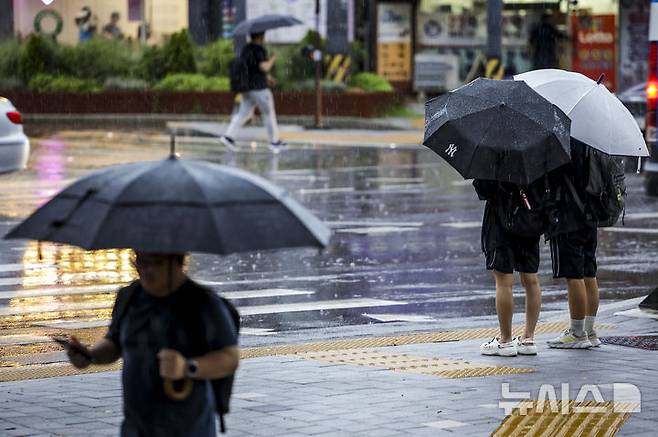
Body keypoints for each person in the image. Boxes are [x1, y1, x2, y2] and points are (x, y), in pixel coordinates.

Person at [65, 252, 240, 437]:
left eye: (156, 263)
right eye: (141, 262)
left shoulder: (204, 303)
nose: (146, 271)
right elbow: (115, 342)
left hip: (189, 428)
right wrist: (90, 356)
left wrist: (187, 367)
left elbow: (230, 358)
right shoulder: (129, 297)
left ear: (177, 261)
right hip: (136, 428)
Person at [474, 179, 545, 357]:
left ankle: (505, 340)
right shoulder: (537, 155)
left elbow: (484, 189)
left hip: (500, 223)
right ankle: (528, 339)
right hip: (529, 220)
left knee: (504, 282)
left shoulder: (496, 155)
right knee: (531, 279)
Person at [546, 139, 600, 349]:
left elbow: (553, 176)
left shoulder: (563, 140)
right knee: (588, 271)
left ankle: (577, 333)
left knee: (574, 275)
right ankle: (589, 330)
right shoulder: (592, 140)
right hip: (590, 213)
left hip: (568, 216)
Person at [220, 31, 286, 153]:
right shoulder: (259, 50)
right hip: (259, 88)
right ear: (261, 36)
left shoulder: (246, 49)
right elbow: (264, 67)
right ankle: (274, 142)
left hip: (247, 88)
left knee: (243, 114)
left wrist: (267, 77)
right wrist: (272, 59)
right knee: (268, 114)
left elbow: (251, 68)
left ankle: (228, 137)